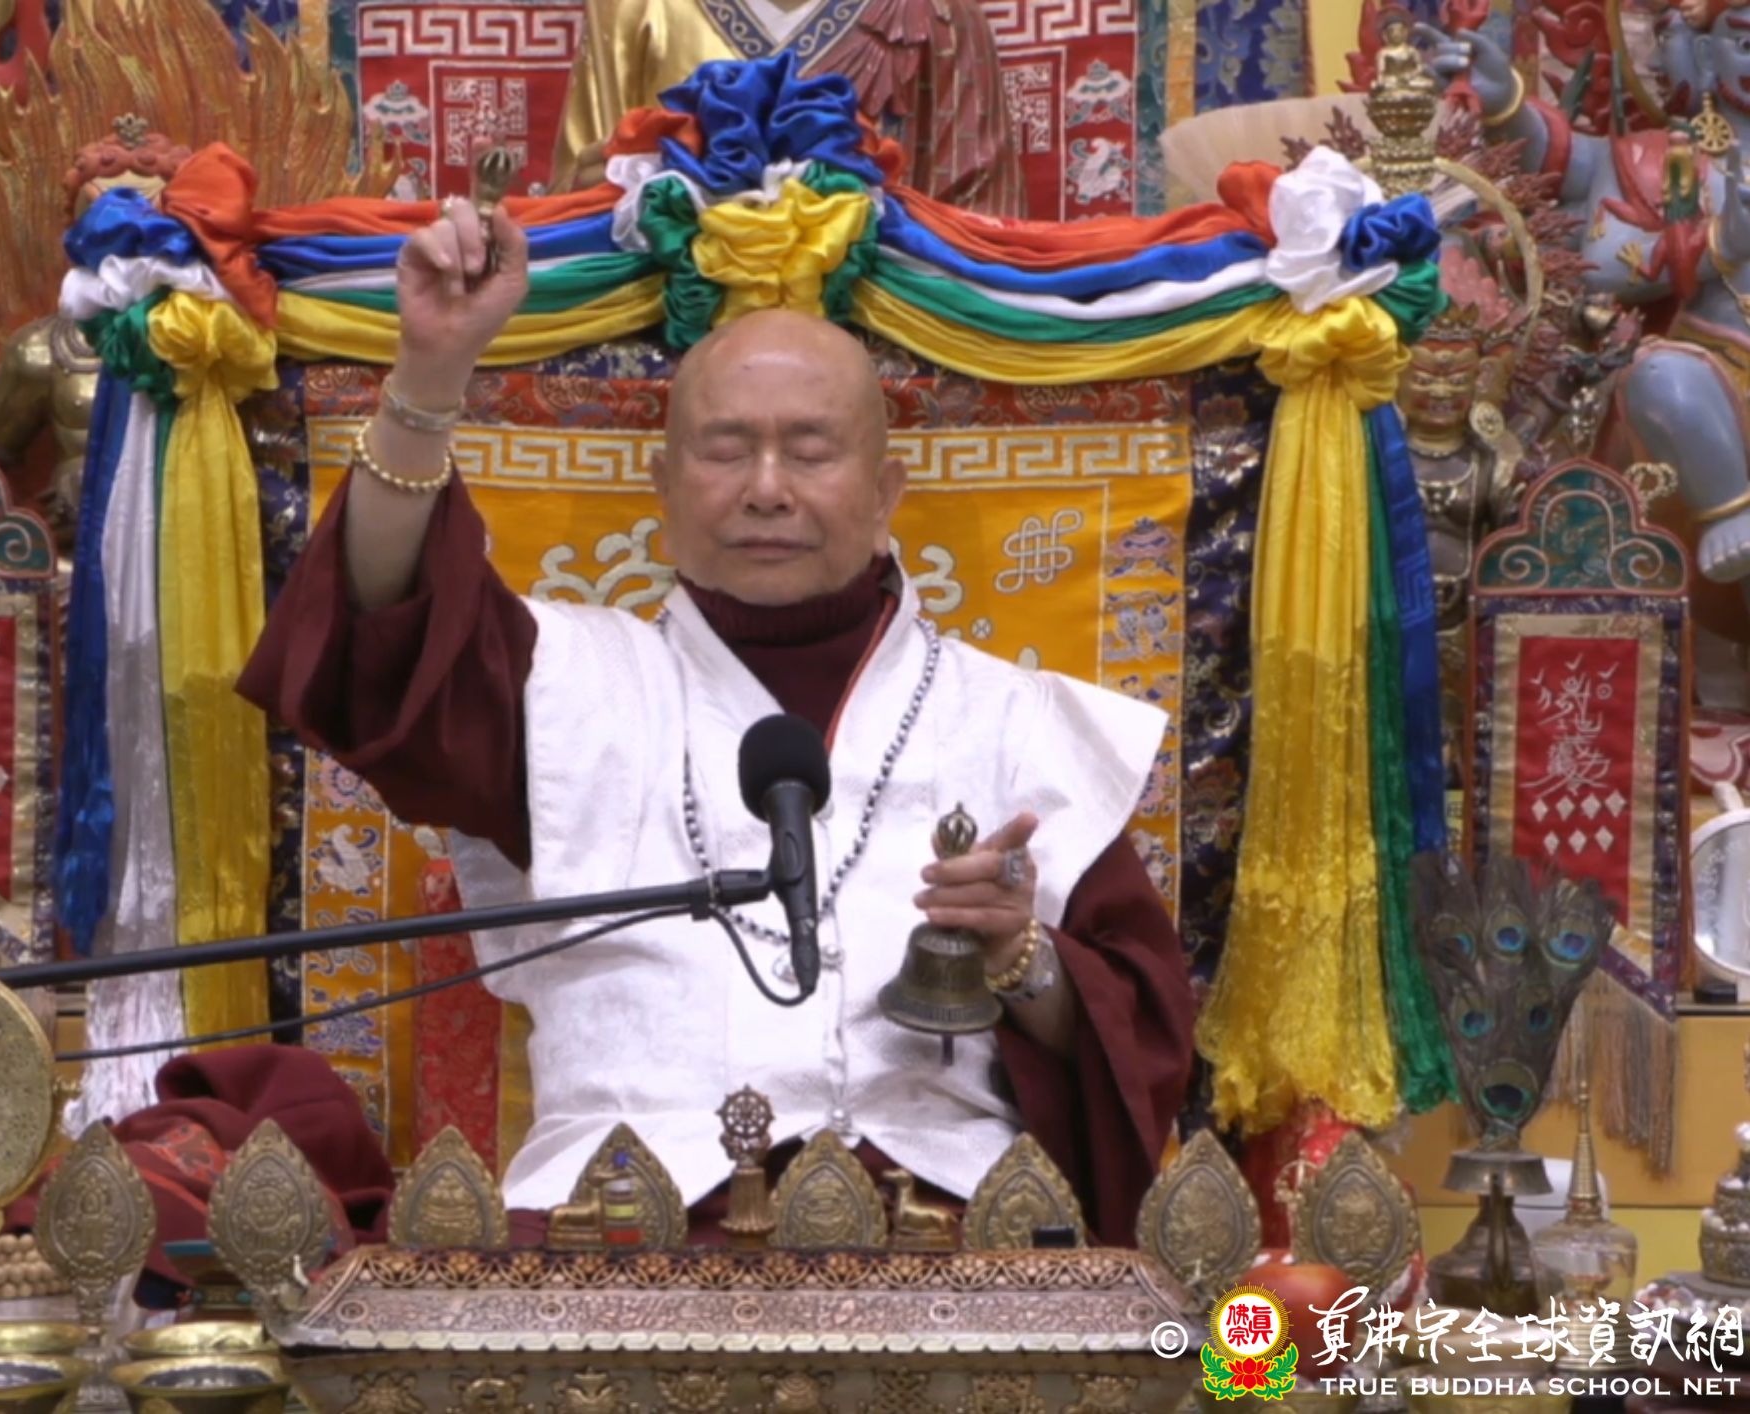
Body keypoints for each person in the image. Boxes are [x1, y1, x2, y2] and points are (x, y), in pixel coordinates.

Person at [240, 199, 1195, 1245]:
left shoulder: (1019, 722)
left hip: (940, 1222)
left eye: (810, 451)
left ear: (886, 490)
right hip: (611, 1225)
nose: (766, 490)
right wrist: (429, 376)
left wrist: (1021, 955)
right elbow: (378, 631)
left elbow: (1139, 1044)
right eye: (726, 450)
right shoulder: (558, 681)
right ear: (661, 484)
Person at [548, 0, 1025, 217]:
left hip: (878, 324)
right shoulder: (633, 7)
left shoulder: (938, 15)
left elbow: (981, 224)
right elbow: (576, 199)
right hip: (676, 314)